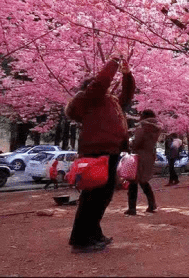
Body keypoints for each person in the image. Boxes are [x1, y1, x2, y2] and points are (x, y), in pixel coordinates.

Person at [66, 56, 135, 253]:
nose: (106, 88)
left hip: (111, 150)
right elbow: (101, 82)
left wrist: (127, 74)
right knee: (92, 196)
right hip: (96, 151)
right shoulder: (89, 98)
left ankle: (94, 233)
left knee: (103, 196)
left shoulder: (108, 102)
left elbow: (127, 95)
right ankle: (80, 240)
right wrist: (113, 61)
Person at [125, 109, 162, 216]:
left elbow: (137, 142)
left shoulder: (143, 127)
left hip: (139, 156)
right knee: (144, 181)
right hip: (149, 155)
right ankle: (152, 204)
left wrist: (131, 144)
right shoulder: (155, 129)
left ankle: (132, 208)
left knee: (133, 182)